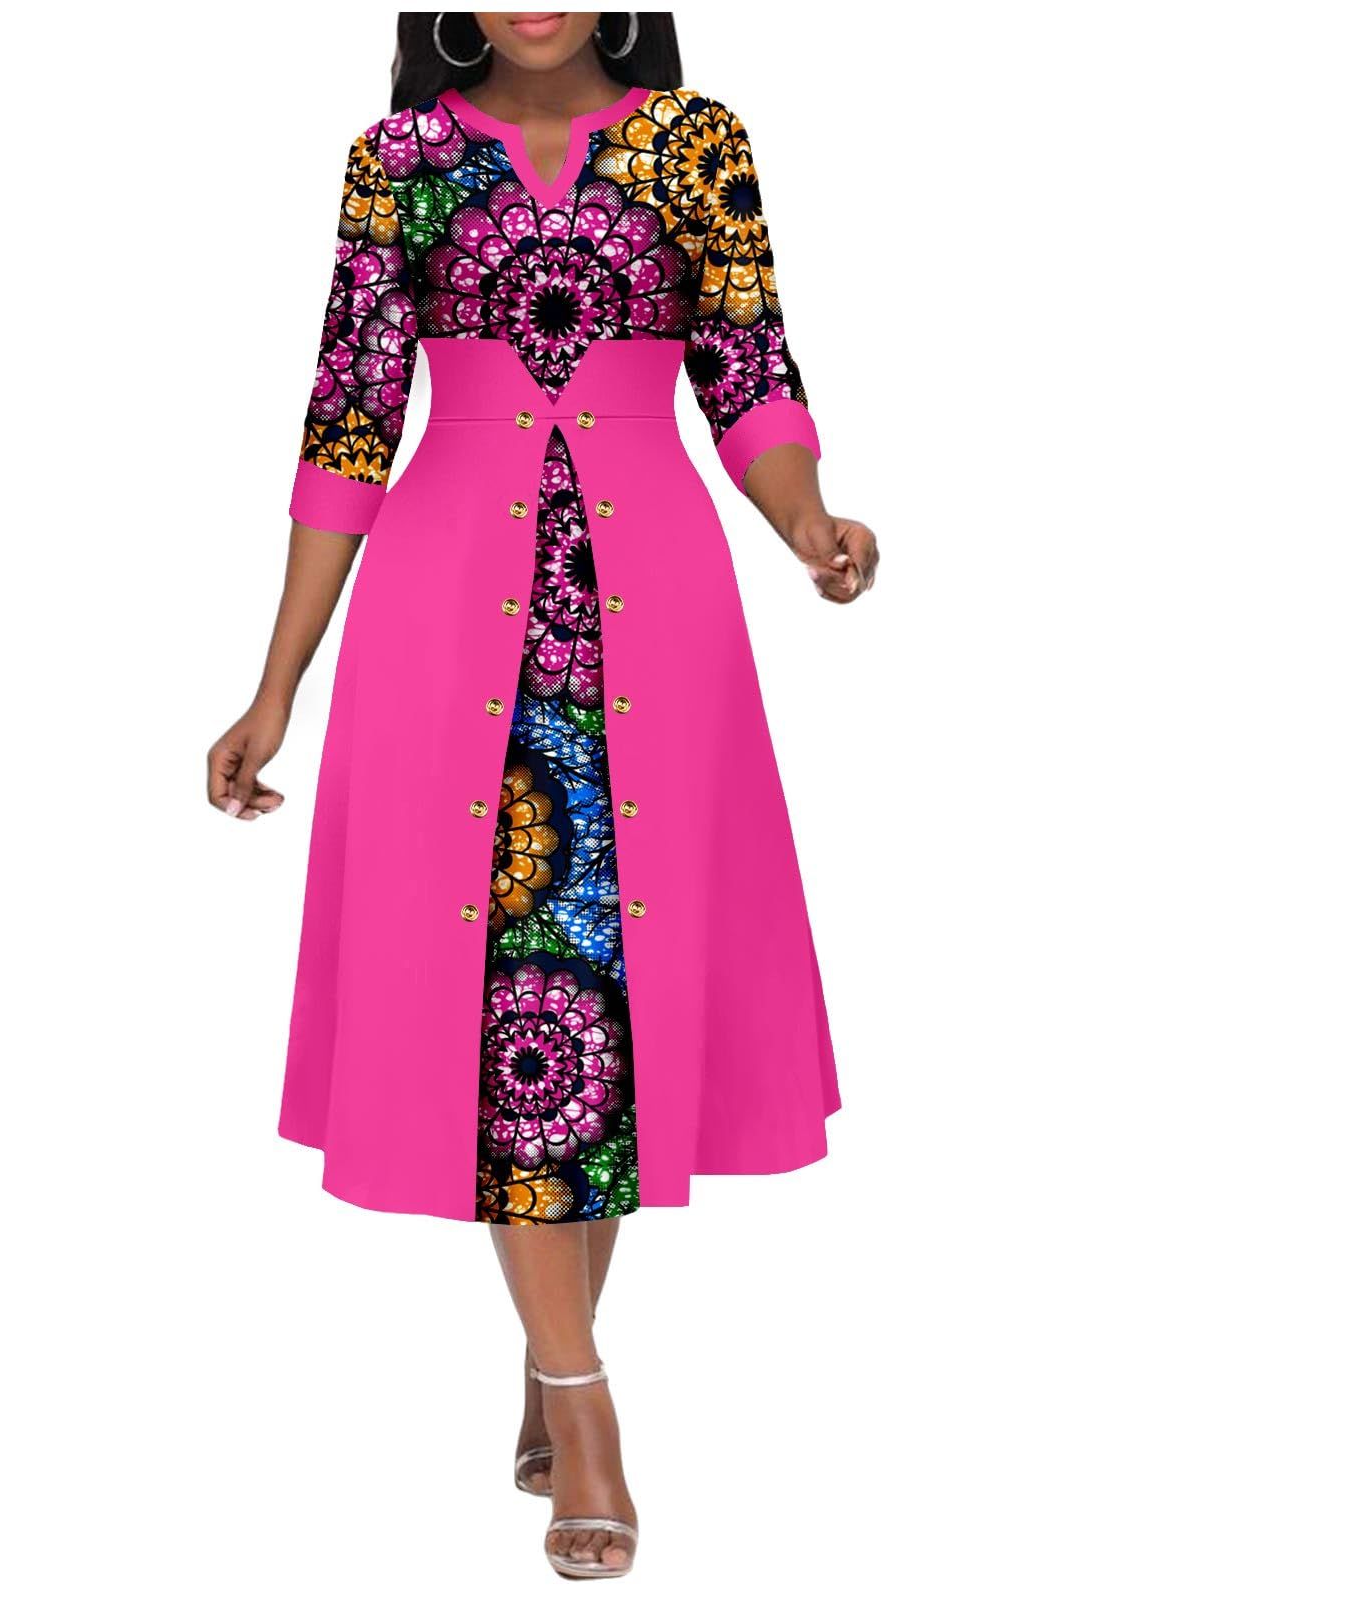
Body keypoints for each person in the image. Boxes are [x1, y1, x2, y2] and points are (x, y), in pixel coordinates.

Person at [206, 11, 878, 1580]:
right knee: (511, 1004)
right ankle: (581, 1407)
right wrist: (276, 681)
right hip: (447, 622)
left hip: (658, 615)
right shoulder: (398, 162)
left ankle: (547, 1341)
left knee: (609, 1008)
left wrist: (811, 526)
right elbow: (350, 421)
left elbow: (752, 378)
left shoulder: (696, 144)